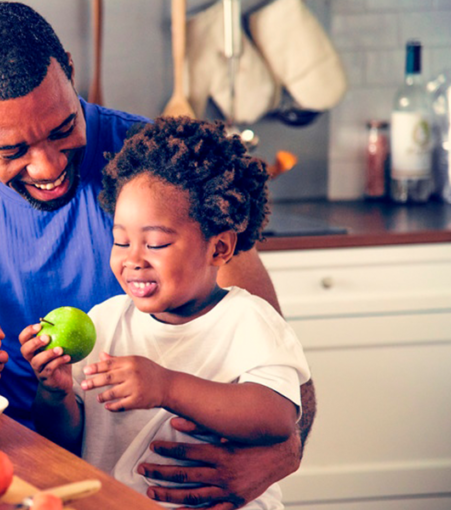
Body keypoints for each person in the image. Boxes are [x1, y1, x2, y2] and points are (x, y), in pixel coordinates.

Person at [0, 2, 317, 507]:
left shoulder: (163, 172)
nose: (46, 166)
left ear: (69, 69)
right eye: (11, 150)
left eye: (62, 128)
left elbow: (281, 369)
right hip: (1, 467)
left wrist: (285, 452)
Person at [19, 117, 311, 509]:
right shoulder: (106, 321)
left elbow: (277, 418)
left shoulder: (248, 321)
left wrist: (167, 387)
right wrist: (54, 395)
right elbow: (70, 441)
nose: (132, 260)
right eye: (120, 241)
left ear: (219, 249)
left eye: (155, 244)